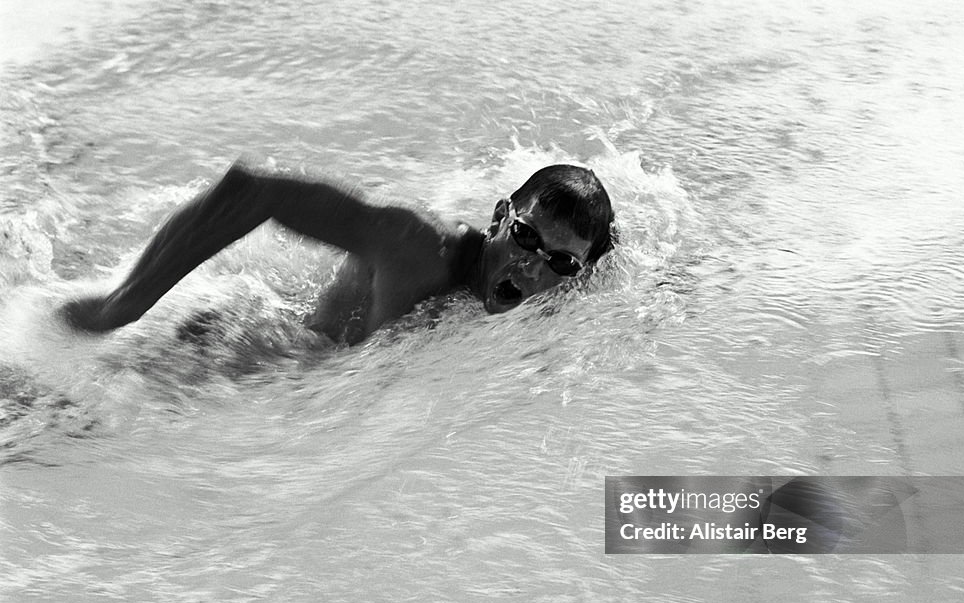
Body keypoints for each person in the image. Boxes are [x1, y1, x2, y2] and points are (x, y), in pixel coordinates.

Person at [59, 156, 615, 346]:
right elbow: (255, 190)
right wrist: (122, 307)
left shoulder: (552, 287)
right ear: (499, 218)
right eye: (524, 236)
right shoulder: (418, 246)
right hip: (214, 357)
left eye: (559, 261)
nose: (529, 264)